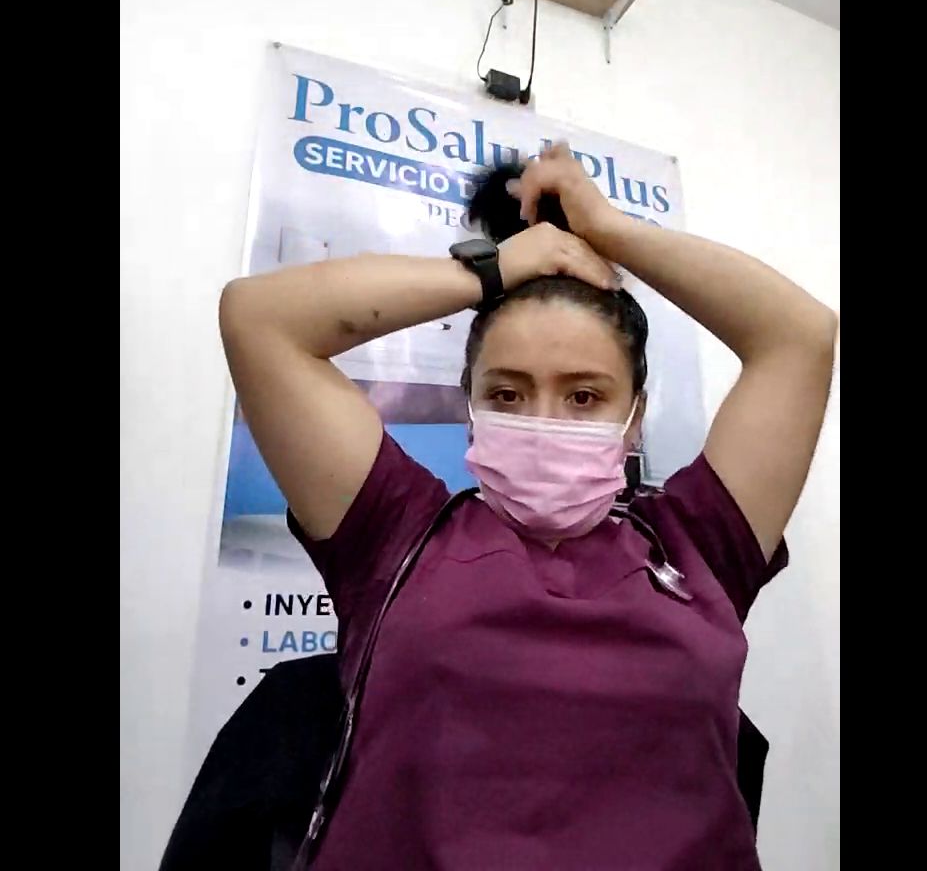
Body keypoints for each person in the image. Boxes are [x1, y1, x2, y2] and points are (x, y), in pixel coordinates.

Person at [218, 144, 837, 871]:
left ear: (634, 419)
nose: (544, 421)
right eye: (508, 394)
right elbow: (259, 319)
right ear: (471, 406)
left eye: (584, 396)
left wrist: (609, 231)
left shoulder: (700, 543)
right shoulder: (394, 534)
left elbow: (801, 337)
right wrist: (493, 270)